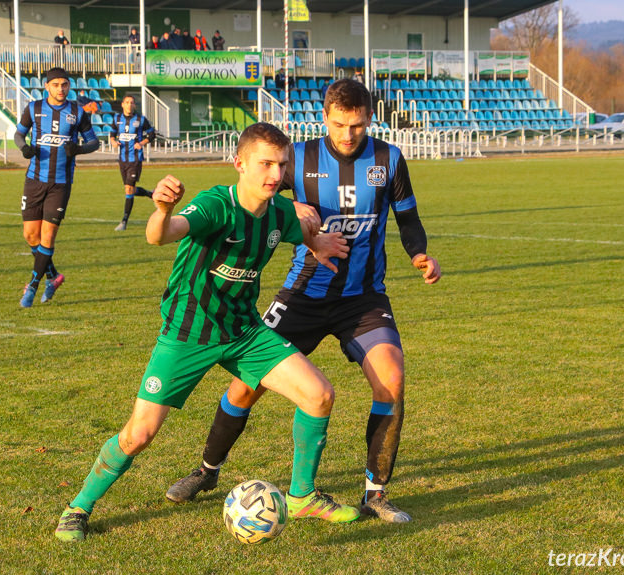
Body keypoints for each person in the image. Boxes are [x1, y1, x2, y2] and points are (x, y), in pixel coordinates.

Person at [54, 122, 357, 542]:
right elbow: (162, 235)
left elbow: (300, 229)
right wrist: (161, 210)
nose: (274, 173)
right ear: (240, 164)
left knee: (319, 393)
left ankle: (302, 495)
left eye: (281, 165)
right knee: (139, 434)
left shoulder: (280, 213)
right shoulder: (217, 205)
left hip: (242, 331)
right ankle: (78, 507)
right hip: (188, 332)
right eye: (265, 163)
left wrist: (317, 242)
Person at [165, 79, 442, 524]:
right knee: (246, 385)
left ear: (370, 118)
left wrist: (420, 254)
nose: (348, 134)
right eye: (339, 124)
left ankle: (375, 492)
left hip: (363, 298)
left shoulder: (389, 159)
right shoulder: (301, 158)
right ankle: (207, 470)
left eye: (357, 125)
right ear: (325, 117)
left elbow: (408, 217)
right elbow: (258, 189)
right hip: (304, 294)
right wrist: (291, 208)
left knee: (391, 378)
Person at [14, 67, 100, 308]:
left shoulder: (77, 112)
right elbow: (18, 135)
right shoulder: (34, 108)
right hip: (34, 180)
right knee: (30, 234)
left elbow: (94, 141)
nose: (61, 89)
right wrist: (24, 148)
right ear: (47, 86)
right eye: (56, 85)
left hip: (61, 183)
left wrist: (79, 149)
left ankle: (32, 286)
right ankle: (53, 277)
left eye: (65, 84)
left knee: (48, 235)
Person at [110, 94, 156, 230]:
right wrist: (113, 142)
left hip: (135, 159)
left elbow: (152, 134)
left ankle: (124, 221)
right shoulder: (117, 118)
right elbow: (112, 134)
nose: (129, 105)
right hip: (122, 160)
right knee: (130, 189)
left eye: (132, 102)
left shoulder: (141, 119)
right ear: (123, 104)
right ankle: (150, 194)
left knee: (129, 189)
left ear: (134, 105)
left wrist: (141, 143)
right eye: (127, 102)